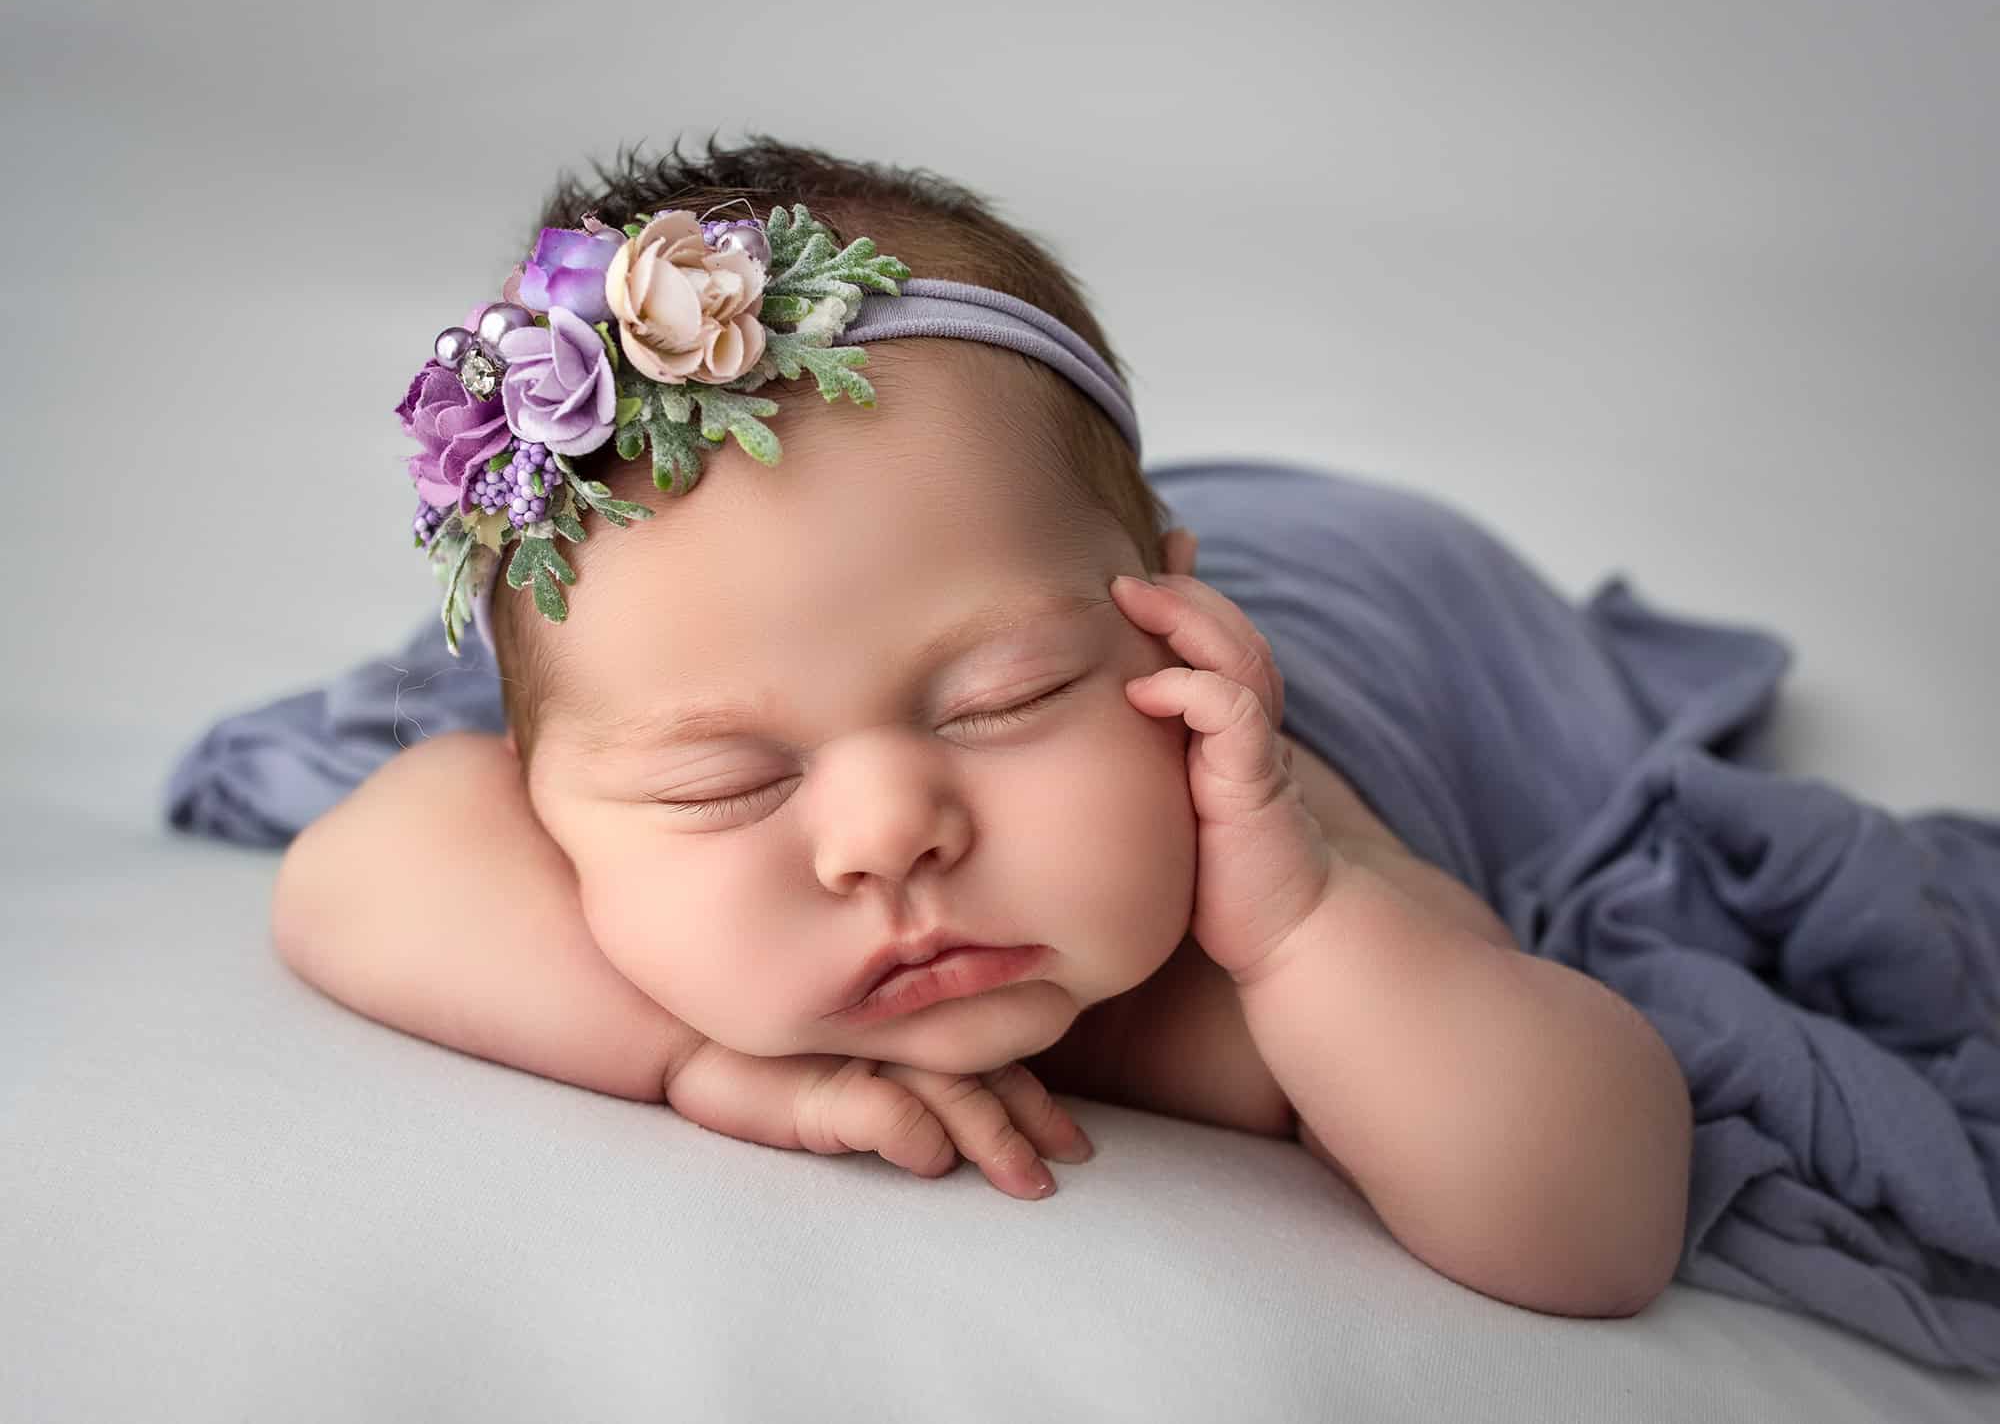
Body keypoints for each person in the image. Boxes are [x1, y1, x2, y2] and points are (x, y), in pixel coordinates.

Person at [270, 132, 1703, 1323]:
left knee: (985, 549)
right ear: (546, 801)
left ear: (1163, 631)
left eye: (1006, 704)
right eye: (724, 785)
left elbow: (1597, 1227)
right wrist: (700, 1063)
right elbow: (350, 872)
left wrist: (1306, 923)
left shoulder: (1272, 895)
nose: (889, 834)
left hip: (1399, 585)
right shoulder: (613, 742)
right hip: (978, 568)